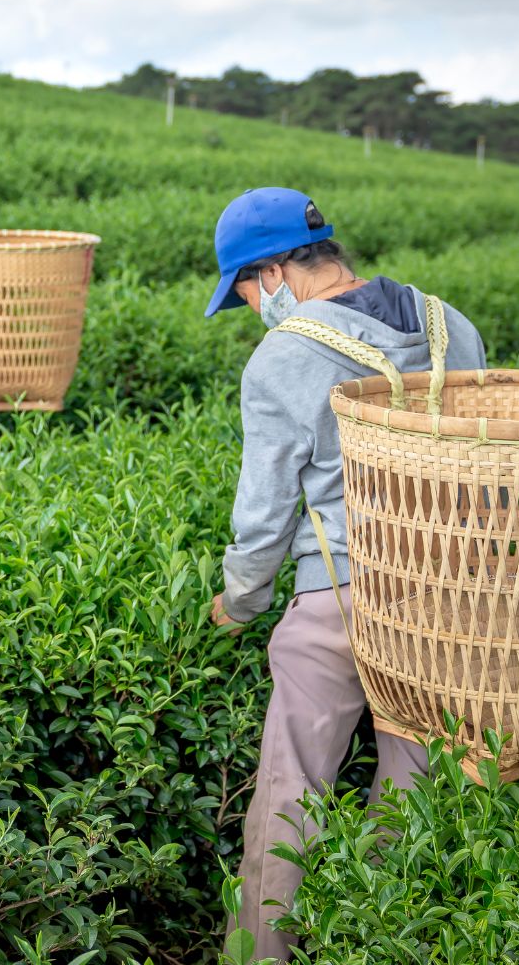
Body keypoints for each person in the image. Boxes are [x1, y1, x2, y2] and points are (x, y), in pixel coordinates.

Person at [204, 187, 487, 962]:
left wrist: (242, 598)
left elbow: (263, 517)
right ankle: (369, 942)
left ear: (274, 273)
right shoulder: (451, 325)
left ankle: (262, 952)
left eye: (247, 291)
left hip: (345, 596)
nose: (255, 308)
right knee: (411, 788)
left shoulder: (283, 356)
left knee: (290, 788)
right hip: (452, 593)